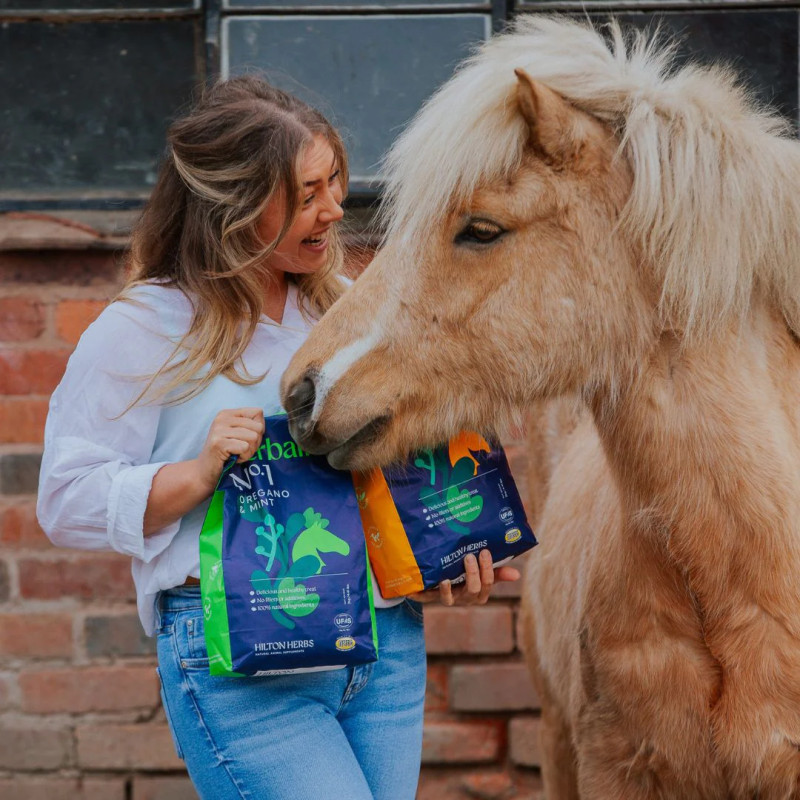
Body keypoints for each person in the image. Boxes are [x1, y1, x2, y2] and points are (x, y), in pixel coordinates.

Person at [36, 76, 520, 800]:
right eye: (305, 195)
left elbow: (388, 478)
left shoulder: (345, 309)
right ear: (233, 206)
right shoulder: (144, 328)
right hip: (247, 663)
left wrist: (446, 550)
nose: (333, 210)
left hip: (384, 651)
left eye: (334, 183)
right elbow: (64, 499)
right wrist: (194, 475)